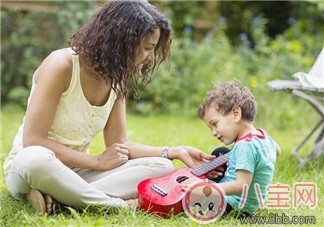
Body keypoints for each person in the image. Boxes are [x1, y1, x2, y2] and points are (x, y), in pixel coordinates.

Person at [3, 0, 215, 215]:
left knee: (162, 167)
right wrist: (96, 161)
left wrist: (173, 151)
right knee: (34, 158)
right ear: (122, 41)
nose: (150, 57)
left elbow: (119, 144)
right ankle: (118, 205)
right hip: (33, 168)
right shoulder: (61, 65)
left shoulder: (116, 78)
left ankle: (63, 198)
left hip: (78, 173)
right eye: (147, 48)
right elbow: (33, 141)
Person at [182, 79, 281, 217]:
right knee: (220, 153)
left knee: (187, 200)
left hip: (235, 204)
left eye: (215, 124)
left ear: (236, 114)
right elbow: (277, 150)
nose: (214, 132)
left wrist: (206, 188)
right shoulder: (262, 136)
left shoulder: (244, 145)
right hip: (250, 203)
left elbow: (241, 185)